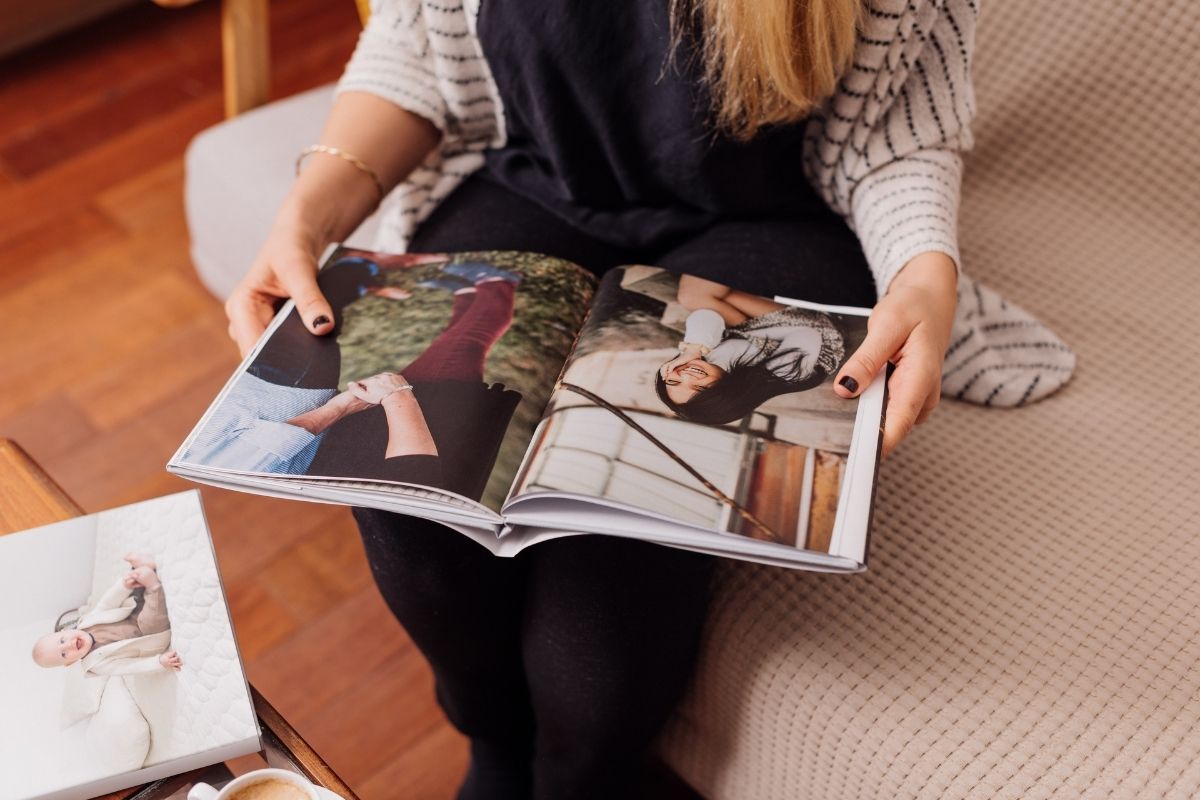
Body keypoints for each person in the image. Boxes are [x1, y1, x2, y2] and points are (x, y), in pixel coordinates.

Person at [221, 2, 1073, 797]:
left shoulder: (746, 368)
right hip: (533, 183)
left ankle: (581, 774)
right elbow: (414, 50)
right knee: (409, 494)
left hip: (780, 216)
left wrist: (924, 272)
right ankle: (490, 745)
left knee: (608, 587)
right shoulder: (713, 354)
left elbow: (893, 133)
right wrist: (311, 207)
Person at [655, 274, 847, 424]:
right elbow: (807, 334)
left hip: (751, 333)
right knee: (704, 294)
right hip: (811, 329)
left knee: (692, 298)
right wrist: (747, 325)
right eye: (699, 387)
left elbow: (707, 316)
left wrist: (693, 350)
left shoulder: (696, 360)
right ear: (725, 392)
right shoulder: (781, 374)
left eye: (673, 381)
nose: (687, 376)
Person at [32, 553, 182, 676]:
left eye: (62, 640)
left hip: (132, 616)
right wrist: (159, 662)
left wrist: (123, 586)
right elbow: (129, 667)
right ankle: (153, 585)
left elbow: (107, 604)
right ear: (70, 663)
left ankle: (142, 568)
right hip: (147, 634)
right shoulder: (97, 665)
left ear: (66, 631)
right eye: (64, 654)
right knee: (151, 620)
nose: (69, 645)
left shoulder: (86, 623)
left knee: (135, 590)